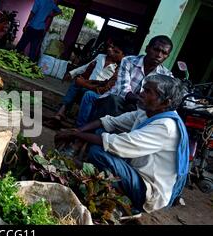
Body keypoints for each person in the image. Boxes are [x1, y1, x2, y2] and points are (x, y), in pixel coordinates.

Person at [55, 75, 189, 213]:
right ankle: (102, 185)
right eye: (144, 89)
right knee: (100, 131)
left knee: (98, 152)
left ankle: (123, 201)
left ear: (165, 102)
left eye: (148, 92)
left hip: (147, 189)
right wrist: (77, 130)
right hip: (135, 172)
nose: (141, 93)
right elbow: (111, 121)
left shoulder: (165, 126)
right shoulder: (148, 113)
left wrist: (75, 135)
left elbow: (117, 144)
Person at [88, 35, 174, 121]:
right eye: (156, 49)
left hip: (139, 109)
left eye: (164, 53)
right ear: (147, 48)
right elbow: (124, 90)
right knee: (114, 99)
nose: (159, 55)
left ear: (167, 56)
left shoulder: (166, 76)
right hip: (117, 100)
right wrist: (143, 101)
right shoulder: (128, 61)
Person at [52, 39, 130, 126]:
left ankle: (66, 116)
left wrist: (84, 83)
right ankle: (61, 111)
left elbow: (105, 86)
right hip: (91, 84)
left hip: (98, 90)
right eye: (112, 49)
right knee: (76, 83)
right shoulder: (100, 57)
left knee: (82, 88)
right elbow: (85, 67)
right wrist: (72, 73)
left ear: (123, 56)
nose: (111, 52)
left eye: (116, 52)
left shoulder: (118, 69)